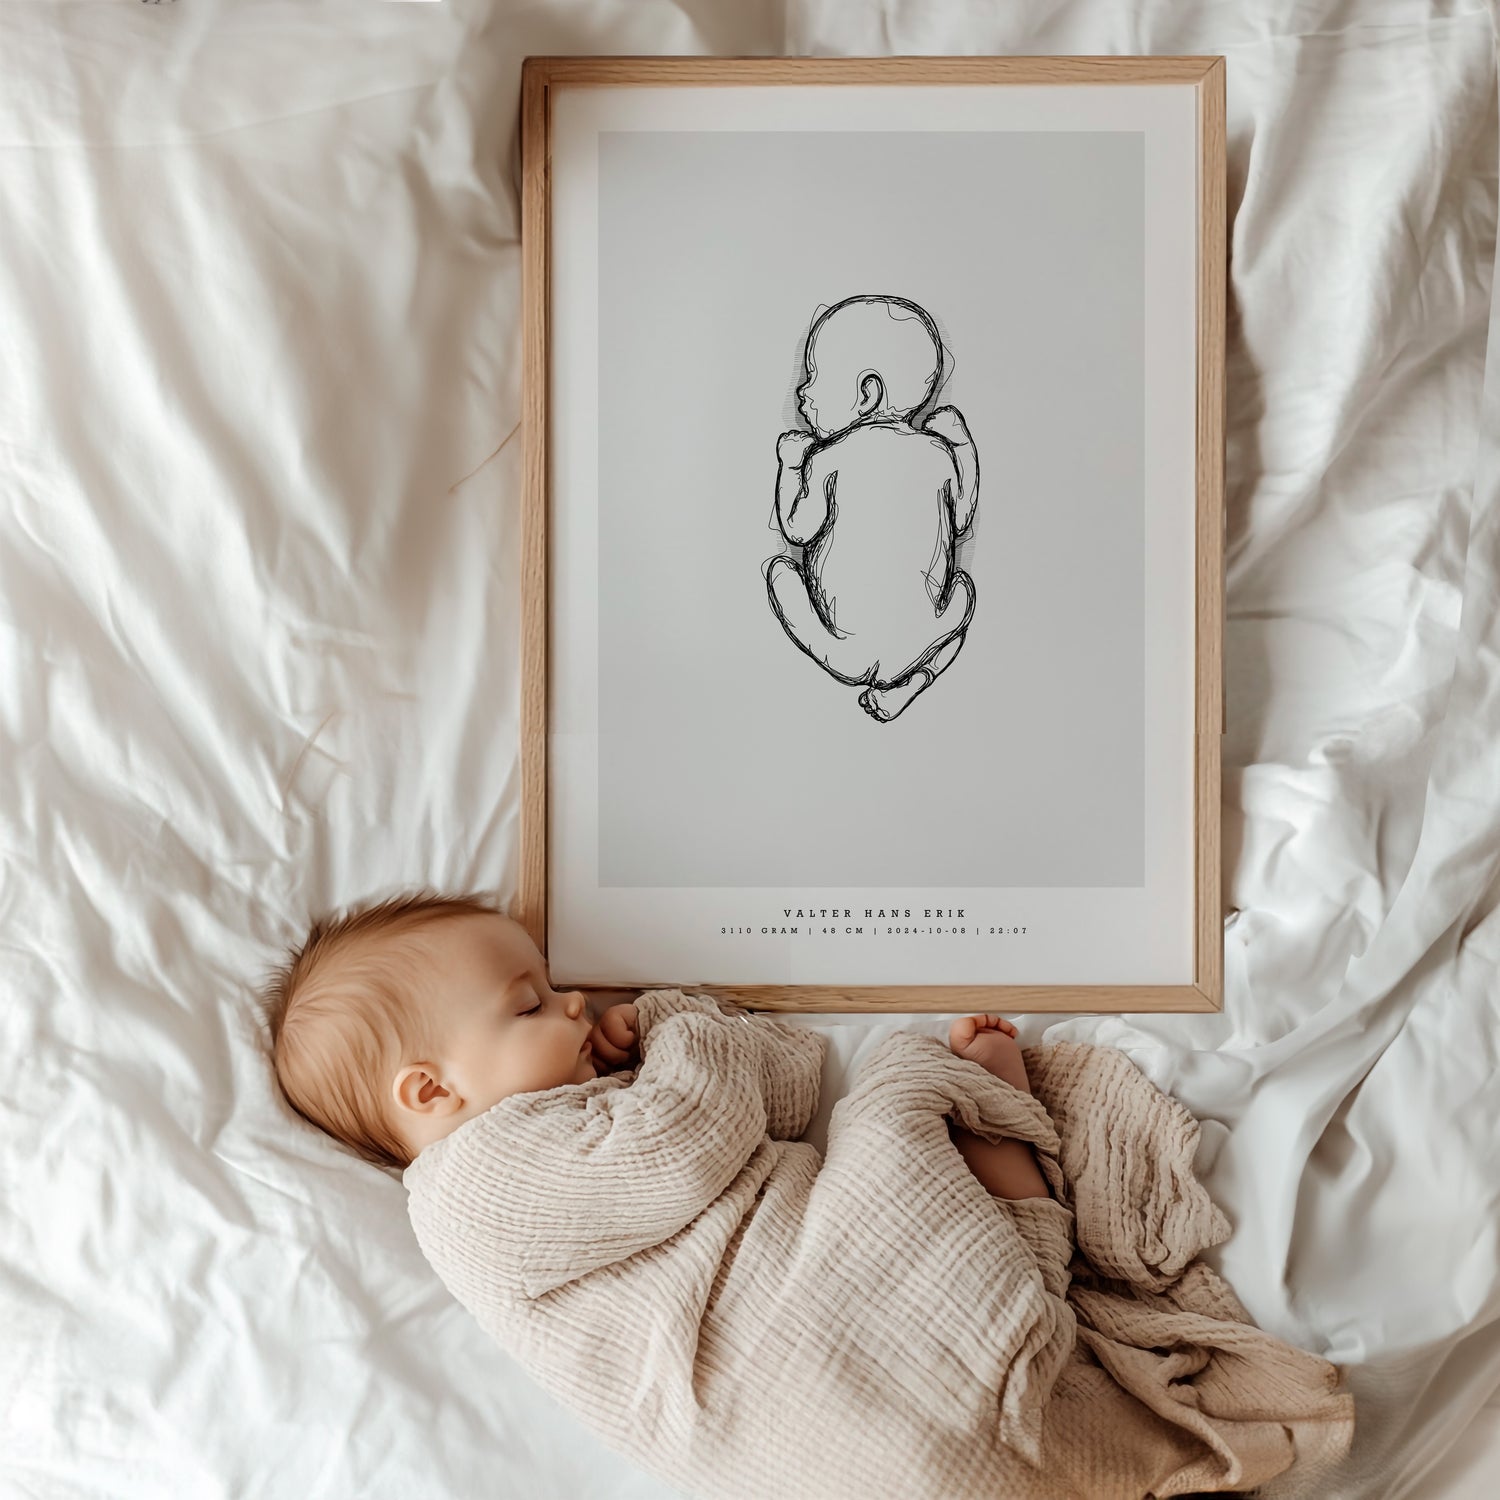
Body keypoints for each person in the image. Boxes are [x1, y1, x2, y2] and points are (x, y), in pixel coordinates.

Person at [261, 889, 1355, 1500]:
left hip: (856, 1341)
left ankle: (1006, 1206)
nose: (578, 1001)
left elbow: (776, 1094)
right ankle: (980, 1124)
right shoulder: (470, 1193)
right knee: (888, 1109)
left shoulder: (578, 1114)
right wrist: (680, 1023)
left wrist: (680, 1045)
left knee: (890, 1172)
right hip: (814, 1400)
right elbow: (690, 1144)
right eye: (529, 1002)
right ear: (430, 1091)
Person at [765, 293, 978, 723]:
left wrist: (790, 466)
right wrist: (962, 446)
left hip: (843, 649)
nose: (802, 394)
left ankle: (901, 679)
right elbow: (961, 516)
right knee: (962, 597)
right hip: (919, 642)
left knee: (780, 573)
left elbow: (796, 530)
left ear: (867, 393)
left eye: (815, 377)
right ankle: (916, 681)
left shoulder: (829, 459)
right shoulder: (938, 455)